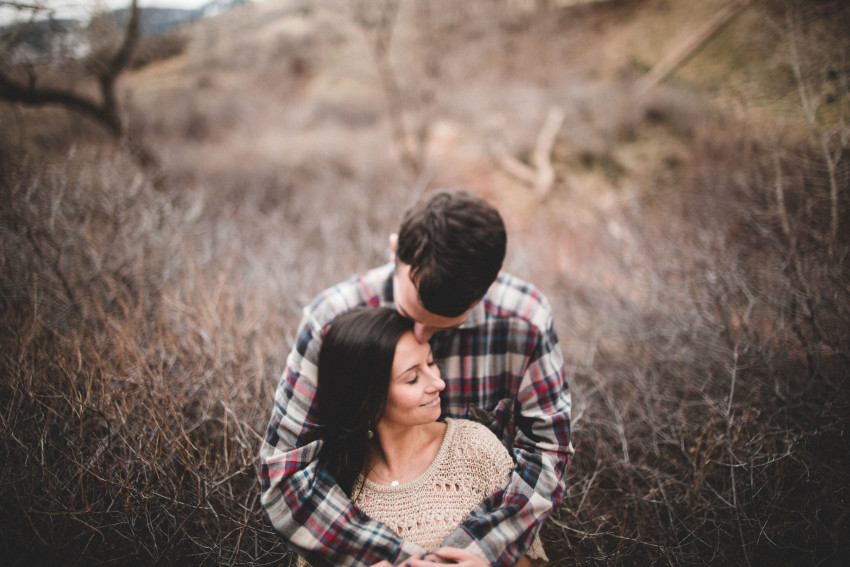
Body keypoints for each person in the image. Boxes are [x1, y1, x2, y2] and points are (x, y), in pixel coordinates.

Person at [260, 189, 573, 566]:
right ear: (395, 250)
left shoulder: (525, 323)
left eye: (446, 326)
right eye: (412, 314)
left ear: (486, 289)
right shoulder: (332, 321)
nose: (422, 335)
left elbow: (546, 451)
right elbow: (287, 472)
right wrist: (400, 559)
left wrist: (479, 552)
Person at [301, 307, 547, 567]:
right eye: (412, 378)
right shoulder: (332, 485)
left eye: (431, 362)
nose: (438, 383)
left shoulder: (475, 447)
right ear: (365, 399)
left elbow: (526, 557)